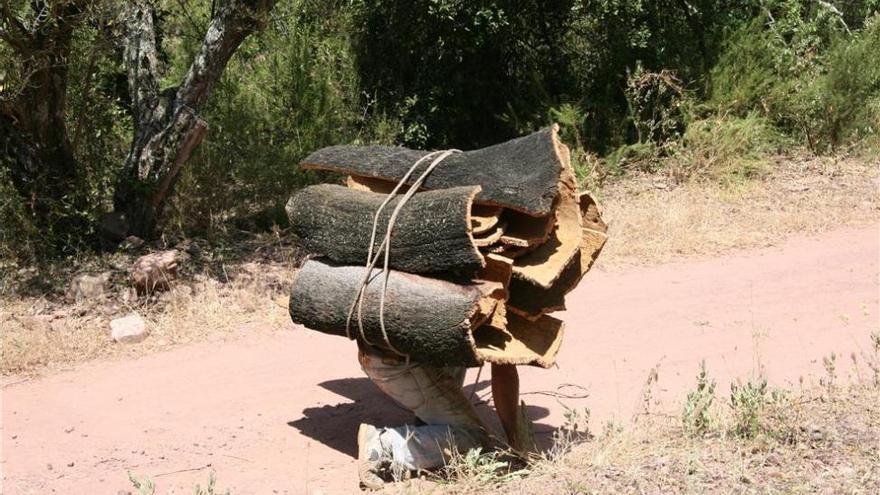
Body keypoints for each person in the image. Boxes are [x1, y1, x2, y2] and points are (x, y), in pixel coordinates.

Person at [356, 341, 523, 489]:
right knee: (478, 439)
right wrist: (514, 441)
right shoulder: (494, 306)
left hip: (382, 353)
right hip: (398, 365)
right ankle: (383, 446)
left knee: (460, 349)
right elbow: (504, 369)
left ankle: (431, 426)